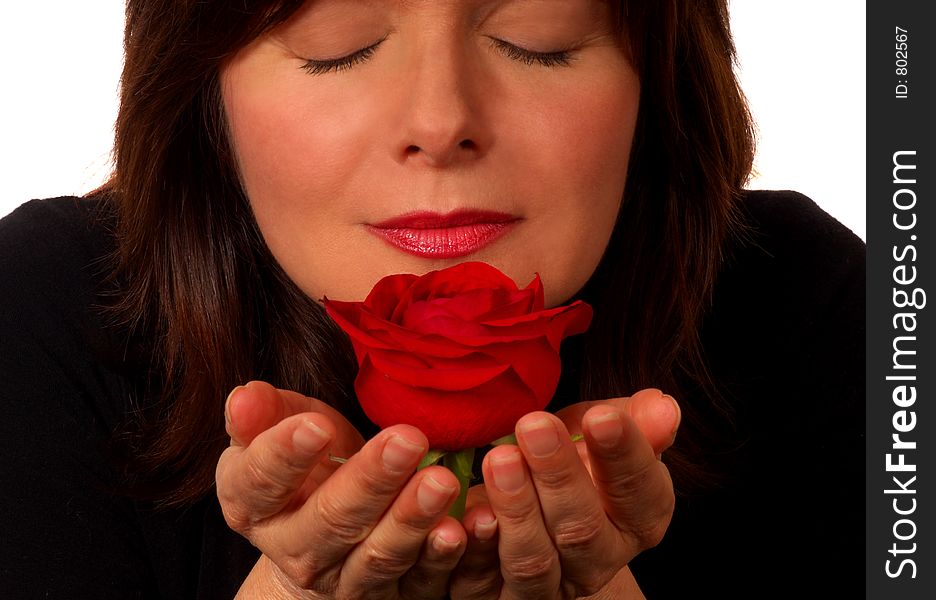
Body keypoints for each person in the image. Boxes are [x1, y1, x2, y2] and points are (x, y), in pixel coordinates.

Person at [0, 0, 864, 598]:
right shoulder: (47, 315)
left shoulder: (823, 308)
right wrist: (299, 592)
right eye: (334, 40)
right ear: (203, 93)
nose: (440, 119)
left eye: (540, 32)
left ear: (658, 75)